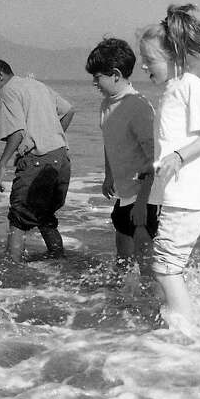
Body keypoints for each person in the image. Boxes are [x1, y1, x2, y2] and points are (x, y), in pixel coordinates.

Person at [137, 4, 200, 330]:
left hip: (189, 194)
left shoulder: (191, 85)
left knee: (165, 266)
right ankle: (180, 317)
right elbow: (173, 141)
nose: (144, 65)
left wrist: (177, 158)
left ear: (174, 55)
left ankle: (185, 334)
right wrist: (155, 167)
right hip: (175, 192)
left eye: (150, 60)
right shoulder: (171, 90)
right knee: (167, 264)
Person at [0, 58, 75, 262]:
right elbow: (68, 111)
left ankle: (12, 267)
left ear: (0, 76)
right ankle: (58, 260)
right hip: (61, 158)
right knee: (44, 215)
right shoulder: (36, 85)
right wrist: (49, 137)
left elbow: (17, 132)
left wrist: (1, 165)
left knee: (19, 216)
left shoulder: (8, 90)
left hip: (38, 161)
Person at [86, 37, 158, 278]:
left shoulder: (138, 107)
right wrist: (109, 176)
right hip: (124, 192)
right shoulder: (106, 105)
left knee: (145, 261)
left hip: (145, 195)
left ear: (115, 74)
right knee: (122, 259)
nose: (94, 83)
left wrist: (142, 203)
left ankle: (154, 300)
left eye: (97, 77)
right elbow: (110, 143)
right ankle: (122, 298)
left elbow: (156, 158)